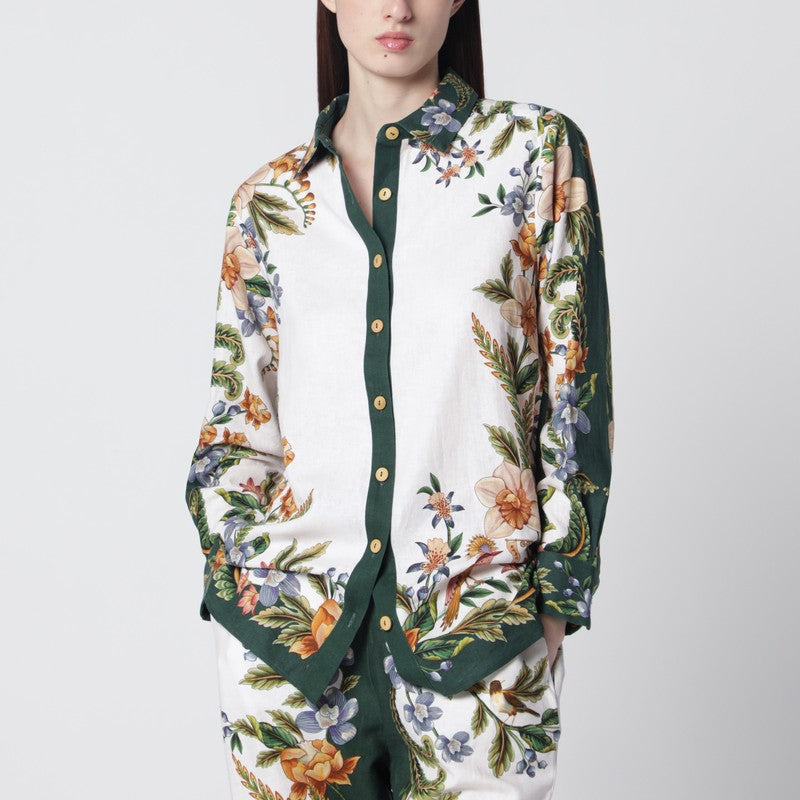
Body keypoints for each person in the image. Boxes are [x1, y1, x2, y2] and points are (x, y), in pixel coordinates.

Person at [184, 1, 614, 797]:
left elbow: (576, 391)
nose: (397, 7)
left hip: (479, 632)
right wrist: (233, 577)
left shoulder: (533, 154)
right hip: (290, 642)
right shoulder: (269, 203)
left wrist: (555, 602)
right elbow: (237, 421)